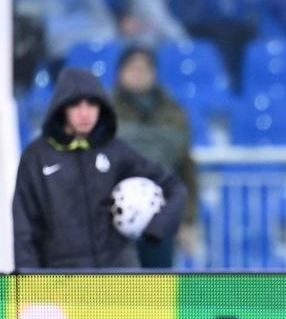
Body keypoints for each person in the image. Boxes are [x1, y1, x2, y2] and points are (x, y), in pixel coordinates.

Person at [12, 67, 186, 269]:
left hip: (119, 280)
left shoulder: (116, 151)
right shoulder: (36, 157)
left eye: (92, 104)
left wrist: (156, 227)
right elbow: (24, 228)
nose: (85, 112)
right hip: (60, 282)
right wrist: (27, 284)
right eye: (75, 104)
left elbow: (174, 187)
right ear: (61, 108)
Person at [112, 47, 198, 267]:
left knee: (157, 288)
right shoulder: (104, 111)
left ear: (154, 74)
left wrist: (187, 221)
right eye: (133, 68)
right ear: (120, 72)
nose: (138, 74)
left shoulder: (173, 112)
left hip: (161, 217)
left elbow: (186, 170)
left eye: (144, 68)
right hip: (112, 219)